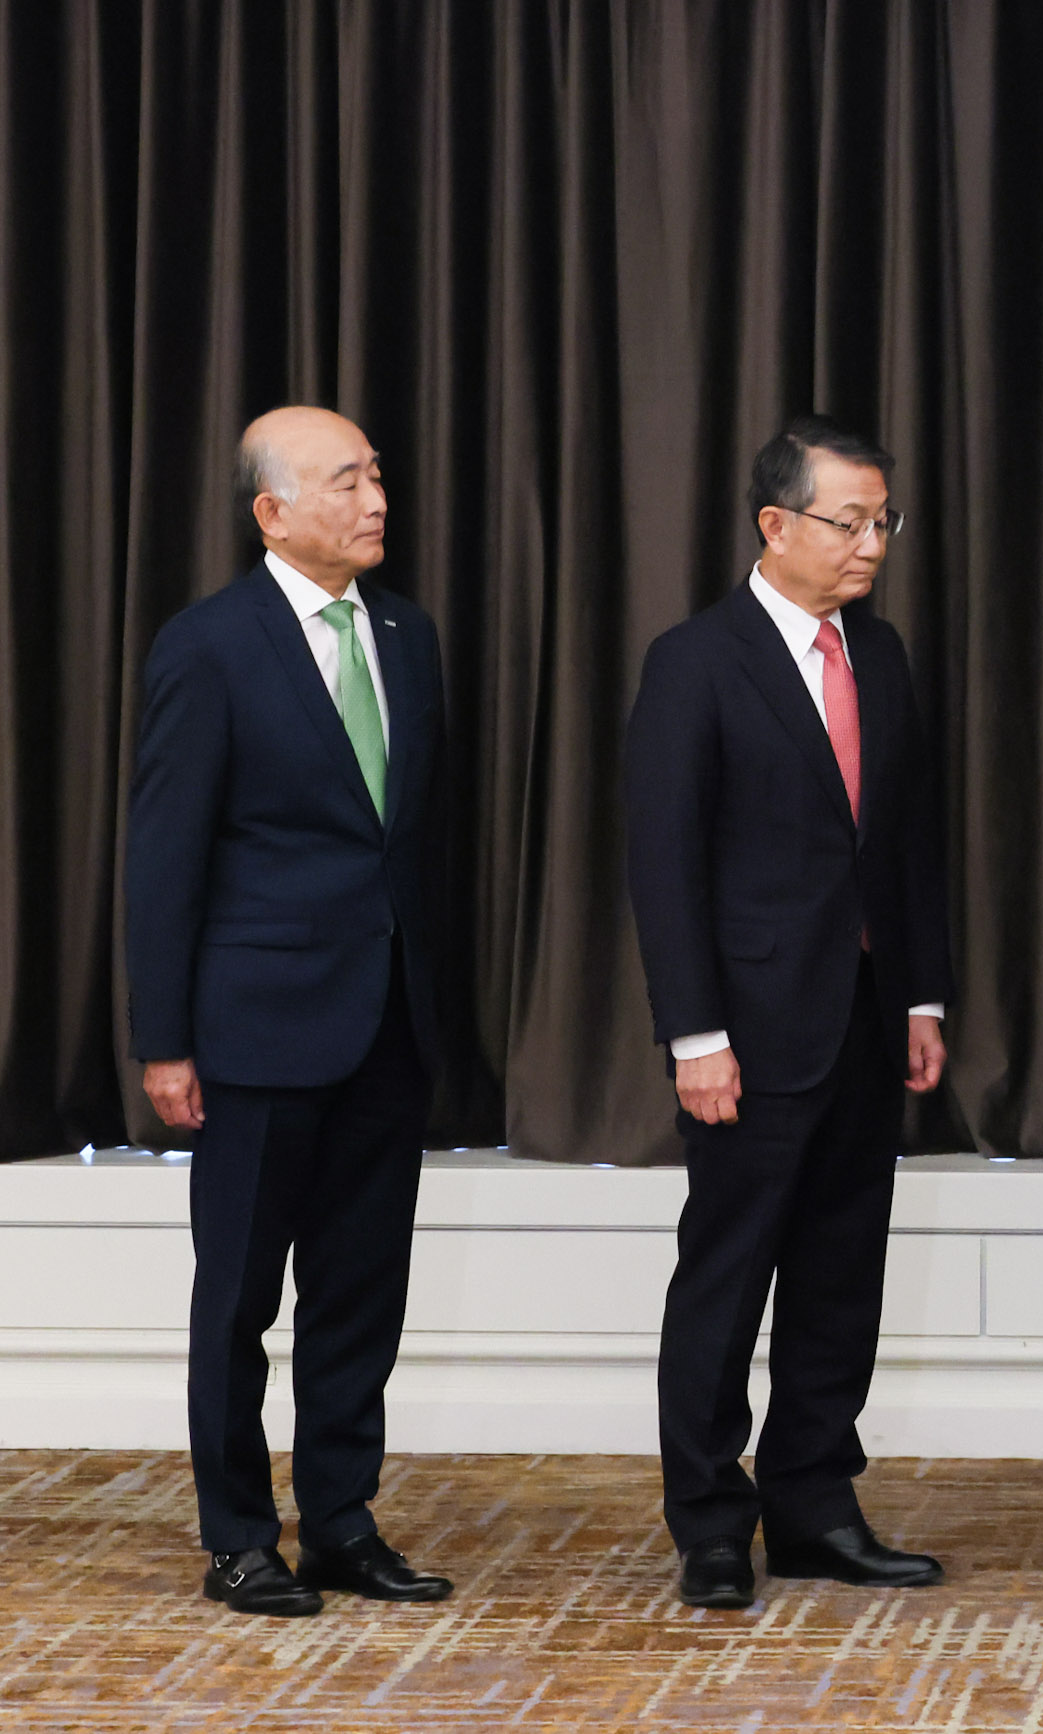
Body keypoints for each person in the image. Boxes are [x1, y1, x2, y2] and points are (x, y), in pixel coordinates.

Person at [126, 407, 454, 1617]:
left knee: (362, 1291)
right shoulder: (209, 647)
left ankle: (344, 1524)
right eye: (345, 481)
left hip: (387, 1022)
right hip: (257, 1028)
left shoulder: (406, 638)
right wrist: (164, 1036)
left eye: (377, 475)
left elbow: (416, 846)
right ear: (272, 511)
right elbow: (164, 855)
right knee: (240, 1297)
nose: (375, 499)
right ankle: (237, 1536)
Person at [624, 417, 954, 1610]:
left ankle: (815, 1503)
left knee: (838, 1276)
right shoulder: (695, 661)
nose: (872, 543)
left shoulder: (884, 654)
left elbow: (907, 842)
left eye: (883, 521)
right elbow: (664, 867)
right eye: (848, 521)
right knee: (725, 1277)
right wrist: (695, 1037)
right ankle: (710, 1519)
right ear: (776, 526)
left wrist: (920, 993)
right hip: (749, 1035)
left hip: (865, 1019)